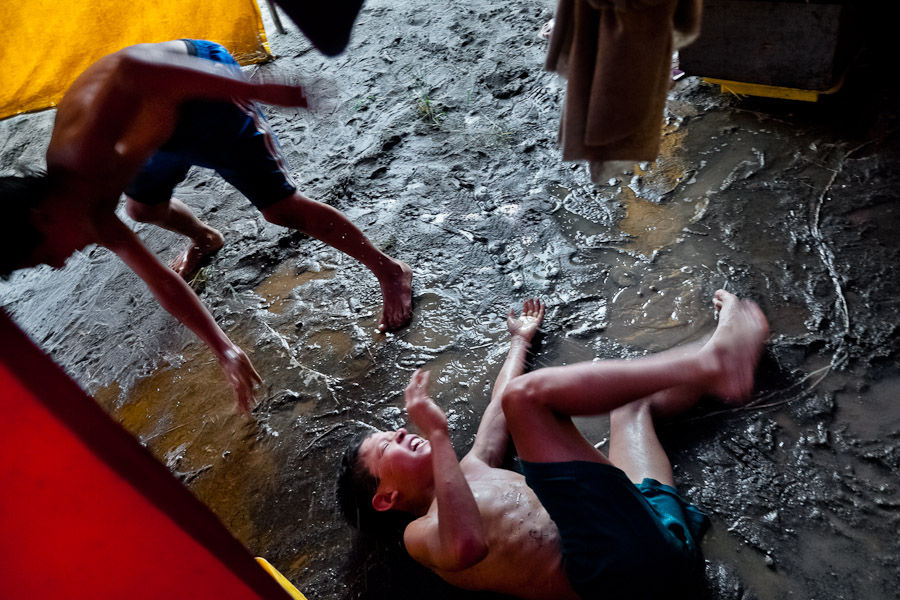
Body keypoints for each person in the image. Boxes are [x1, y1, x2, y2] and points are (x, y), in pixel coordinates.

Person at [0, 40, 413, 412]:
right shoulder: (85, 212)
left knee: (280, 209)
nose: (56, 266)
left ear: (42, 217)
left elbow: (135, 66)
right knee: (142, 210)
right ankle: (206, 238)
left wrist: (257, 89)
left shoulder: (81, 152)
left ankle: (389, 269)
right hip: (157, 134)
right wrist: (224, 348)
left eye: (42, 257)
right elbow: (159, 280)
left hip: (199, 90)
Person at [337, 290, 769, 599]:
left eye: (392, 430)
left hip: (651, 528)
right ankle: (714, 361)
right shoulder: (419, 533)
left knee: (631, 406)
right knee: (526, 400)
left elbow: (498, 404)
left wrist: (519, 340)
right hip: (616, 572)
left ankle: (721, 355)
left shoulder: (475, 466)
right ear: (384, 498)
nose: (398, 433)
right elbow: (466, 545)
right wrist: (438, 436)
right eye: (384, 447)